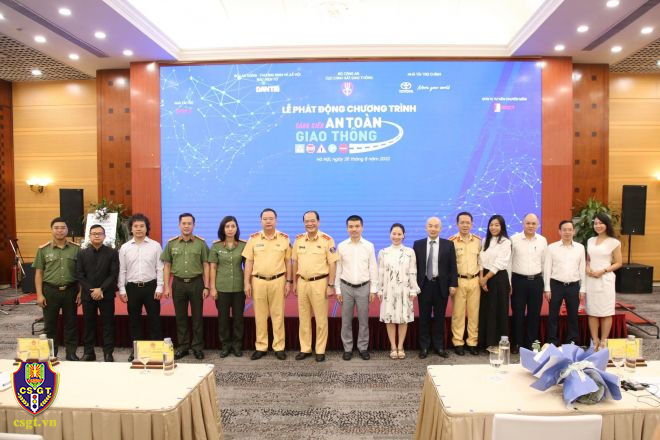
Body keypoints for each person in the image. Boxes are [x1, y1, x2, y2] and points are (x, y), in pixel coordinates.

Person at [242, 208, 292, 361]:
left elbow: (288, 262)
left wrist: (288, 281)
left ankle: (279, 347)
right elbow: (248, 262)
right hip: (258, 281)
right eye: (265, 219)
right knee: (260, 316)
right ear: (261, 221)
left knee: (278, 315)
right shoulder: (253, 239)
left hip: (278, 280)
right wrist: (247, 283)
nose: (268, 221)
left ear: (276, 220)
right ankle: (261, 346)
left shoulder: (284, 238)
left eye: (271, 218)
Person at [161, 213, 210, 360]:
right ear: (179, 225)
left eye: (189, 223)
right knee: (180, 317)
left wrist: (206, 286)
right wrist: (166, 287)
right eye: (184, 223)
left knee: (197, 318)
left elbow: (206, 265)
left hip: (196, 283)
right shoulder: (171, 244)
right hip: (178, 284)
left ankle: (197, 347)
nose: (186, 226)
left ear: (193, 225)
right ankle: (183, 347)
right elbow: (167, 266)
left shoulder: (201, 244)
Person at [292, 211, 338, 363]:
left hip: (320, 282)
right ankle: (305, 348)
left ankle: (320, 350)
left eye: (312, 221)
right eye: (307, 221)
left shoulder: (327, 240)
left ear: (318, 222)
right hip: (302, 282)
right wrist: (294, 282)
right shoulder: (298, 239)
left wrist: (331, 285)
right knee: (304, 318)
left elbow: (332, 264)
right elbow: (295, 262)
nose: (310, 224)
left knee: (321, 319)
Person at [118, 213, 164, 362]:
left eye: (142, 226)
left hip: (151, 287)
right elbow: (122, 270)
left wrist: (159, 287)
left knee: (154, 320)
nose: (139, 229)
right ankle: (137, 350)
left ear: (147, 228)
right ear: (131, 229)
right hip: (132, 288)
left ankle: (156, 351)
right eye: (135, 226)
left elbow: (160, 268)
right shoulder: (124, 248)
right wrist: (122, 289)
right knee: (134, 321)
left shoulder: (155, 246)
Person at [34, 217, 81, 361]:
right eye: (56, 228)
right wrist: (39, 294)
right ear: (51, 230)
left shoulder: (76, 249)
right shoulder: (43, 250)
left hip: (71, 290)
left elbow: (81, 273)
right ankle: (51, 354)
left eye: (63, 227)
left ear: (67, 230)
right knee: (50, 325)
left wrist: (81, 292)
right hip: (50, 291)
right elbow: (39, 273)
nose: (59, 230)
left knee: (71, 324)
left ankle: (71, 353)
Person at [413, 217, 458, 359]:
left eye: (436, 226)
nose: (433, 228)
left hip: (441, 286)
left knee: (440, 317)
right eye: (430, 226)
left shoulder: (448, 244)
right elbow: (414, 267)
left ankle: (439, 346)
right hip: (424, 285)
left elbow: (453, 266)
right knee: (424, 317)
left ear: (440, 228)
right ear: (426, 227)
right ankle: (424, 347)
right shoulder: (418, 244)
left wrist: (453, 284)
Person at [335, 215, 378, 361]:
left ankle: (363, 348)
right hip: (345, 287)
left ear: (362, 227)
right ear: (347, 228)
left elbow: (373, 268)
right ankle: (347, 348)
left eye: (357, 226)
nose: (354, 229)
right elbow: (338, 269)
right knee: (346, 320)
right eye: (351, 226)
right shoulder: (341, 246)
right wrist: (337, 290)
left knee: (363, 320)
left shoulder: (369, 246)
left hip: (363, 287)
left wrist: (373, 290)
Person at [76, 224, 119, 362]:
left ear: (104, 236)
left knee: (108, 324)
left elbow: (113, 274)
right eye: (93, 233)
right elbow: (80, 275)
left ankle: (108, 353)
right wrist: (92, 290)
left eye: (99, 233)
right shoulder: (82, 253)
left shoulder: (112, 253)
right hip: (88, 296)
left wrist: (101, 289)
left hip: (106, 294)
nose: (96, 236)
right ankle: (89, 353)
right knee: (89, 324)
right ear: (89, 236)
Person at [378, 223, 420, 360]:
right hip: (388, 290)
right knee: (389, 318)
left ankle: (400, 346)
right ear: (390, 235)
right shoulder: (383, 252)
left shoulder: (409, 252)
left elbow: (413, 272)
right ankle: (393, 347)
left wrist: (413, 290)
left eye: (399, 234)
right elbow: (381, 272)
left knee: (403, 319)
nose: (396, 236)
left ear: (403, 235)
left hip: (404, 290)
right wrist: (379, 289)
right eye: (394, 234)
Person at [209, 216, 246, 358]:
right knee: (223, 319)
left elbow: (247, 266)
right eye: (227, 226)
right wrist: (212, 288)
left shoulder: (243, 245)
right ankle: (225, 345)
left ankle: (237, 346)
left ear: (237, 228)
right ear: (223, 229)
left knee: (238, 319)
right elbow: (213, 267)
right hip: (222, 288)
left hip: (239, 288)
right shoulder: (216, 246)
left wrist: (248, 284)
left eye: (233, 226)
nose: (230, 229)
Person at [544, 220, 586, 346]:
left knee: (573, 316)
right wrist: (547, 288)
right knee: (553, 316)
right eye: (564, 230)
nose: (567, 232)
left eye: (570, 230)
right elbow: (547, 268)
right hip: (555, 285)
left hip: (573, 286)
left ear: (574, 231)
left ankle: (572, 341)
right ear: (559, 232)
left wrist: (583, 288)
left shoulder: (580, 248)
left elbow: (582, 269)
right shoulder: (551, 248)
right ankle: (552, 341)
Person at [509, 213, 547, 353]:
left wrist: (546, 285)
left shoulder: (542, 240)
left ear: (538, 225)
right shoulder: (514, 240)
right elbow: (509, 263)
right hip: (518, 281)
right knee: (518, 313)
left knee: (534, 314)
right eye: (528, 223)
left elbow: (544, 263)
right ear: (523, 223)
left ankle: (531, 343)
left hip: (536, 281)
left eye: (533, 223)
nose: (531, 226)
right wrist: (509, 283)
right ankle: (517, 343)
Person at [585, 213, 622, 350]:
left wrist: (603, 271)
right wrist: (587, 267)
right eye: (595, 223)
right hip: (591, 279)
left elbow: (619, 263)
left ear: (607, 224)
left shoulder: (614, 242)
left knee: (606, 311)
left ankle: (603, 342)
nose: (598, 226)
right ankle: (594, 341)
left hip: (605, 279)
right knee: (592, 311)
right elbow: (588, 259)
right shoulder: (590, 240)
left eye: (601, 223)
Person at [448, 212, 481, 356]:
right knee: (458, 314)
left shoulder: (478, 241)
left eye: (468, 222)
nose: (465, 225)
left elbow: (481, 262)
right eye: (462, 222)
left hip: (475, 281)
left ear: (472, 224)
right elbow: (449, 265)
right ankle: (458, 342)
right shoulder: (451, 241)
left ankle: (472, 342)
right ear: (457, 224)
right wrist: (452, 283)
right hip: (459, 281)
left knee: (474, 314)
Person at [478, 215, 512, 350]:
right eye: (491, 225)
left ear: (502, 226)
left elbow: (500, 263)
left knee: (499, 310)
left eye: (497, 225)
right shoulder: (485, 240)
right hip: (485, 278)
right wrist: (482, 279)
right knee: (486, 310)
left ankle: (498, 343)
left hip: (499, 278)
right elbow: (480, 260)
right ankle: (486, 342)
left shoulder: (506, 242)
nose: (493, 227)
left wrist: (486, 278)